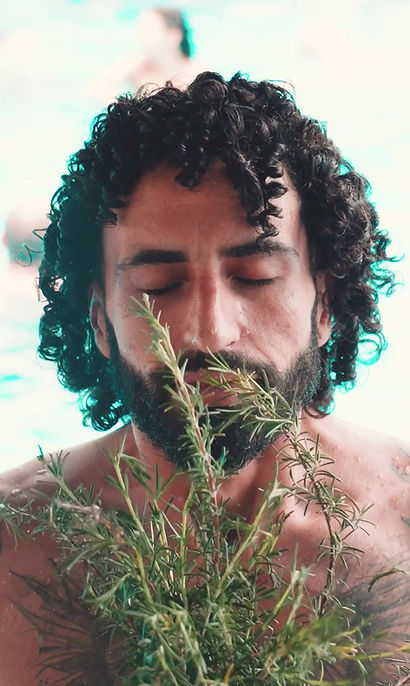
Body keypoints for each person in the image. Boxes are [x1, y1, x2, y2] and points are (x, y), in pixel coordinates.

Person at [0, 71, 409, 685]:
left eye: (255, 277)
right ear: (100, 321)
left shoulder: (403, 523)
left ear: (325, 303)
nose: (211, 332)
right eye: (159, 286)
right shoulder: (12, 548)